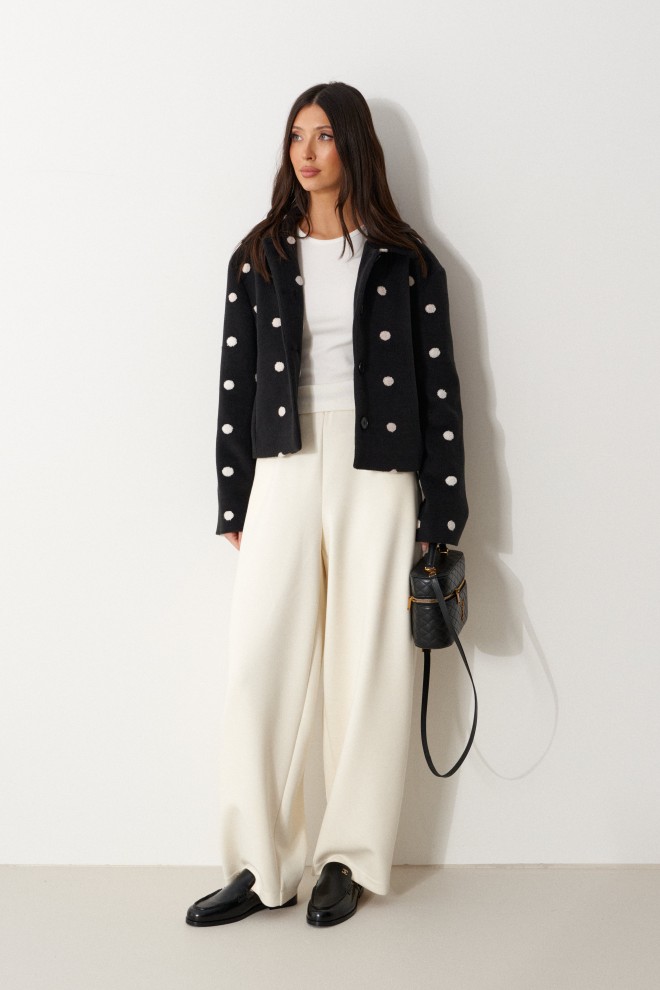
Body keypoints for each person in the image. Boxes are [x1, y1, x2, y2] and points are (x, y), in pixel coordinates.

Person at [185, 81, 468, 929]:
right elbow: (235, 382)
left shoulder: (407, 259)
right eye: (295, 137)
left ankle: (347, 857)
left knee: (365, 664)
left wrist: (442, 515)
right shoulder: (259, 255)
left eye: (323, 136)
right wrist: (233, 496)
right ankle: (257, 863)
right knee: (258, 660)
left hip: (380, 470)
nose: (306, 153)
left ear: (353, 145)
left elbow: (442, 393)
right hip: (284, 461)